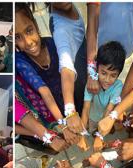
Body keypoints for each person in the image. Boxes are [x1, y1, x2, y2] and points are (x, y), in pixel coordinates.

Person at [15, 3, 86, 151]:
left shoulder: (54, 43)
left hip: (69, 96)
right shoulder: (20, 61)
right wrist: (63, 126)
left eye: (29, 30)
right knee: (64, 131)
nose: (28, 42)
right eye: (18, 37)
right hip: (50, 109)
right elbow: (44, 91)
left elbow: (68, 69)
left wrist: (71, 114)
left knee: (77, 122)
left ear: (36, 24)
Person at [81, 41, 125, 150]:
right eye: (103, 73)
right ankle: (93, 133)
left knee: (104, 130)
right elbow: (85, 109)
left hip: (107, 118)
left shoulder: (118, 85)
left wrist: (99, 137)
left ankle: (99, 134)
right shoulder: (91, 84)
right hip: (92, 117)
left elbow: (109, 110)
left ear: (118, 74)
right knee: (92, 130)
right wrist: (81, 136)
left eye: (113, 75)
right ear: (96, 68)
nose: (107, 80)